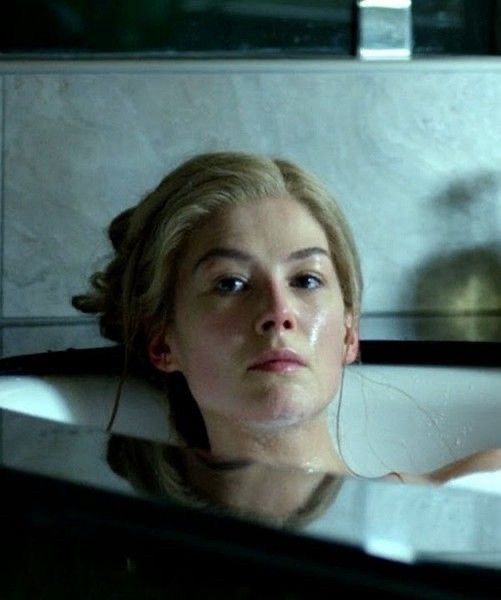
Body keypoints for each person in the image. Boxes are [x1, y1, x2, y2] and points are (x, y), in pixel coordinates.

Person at [73, 151, 501, 500]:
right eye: (231, 284)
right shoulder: (128, 546)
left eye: (306, 280)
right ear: (162, 343)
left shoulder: (475, 493)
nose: (278, 311)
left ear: (349, 333)